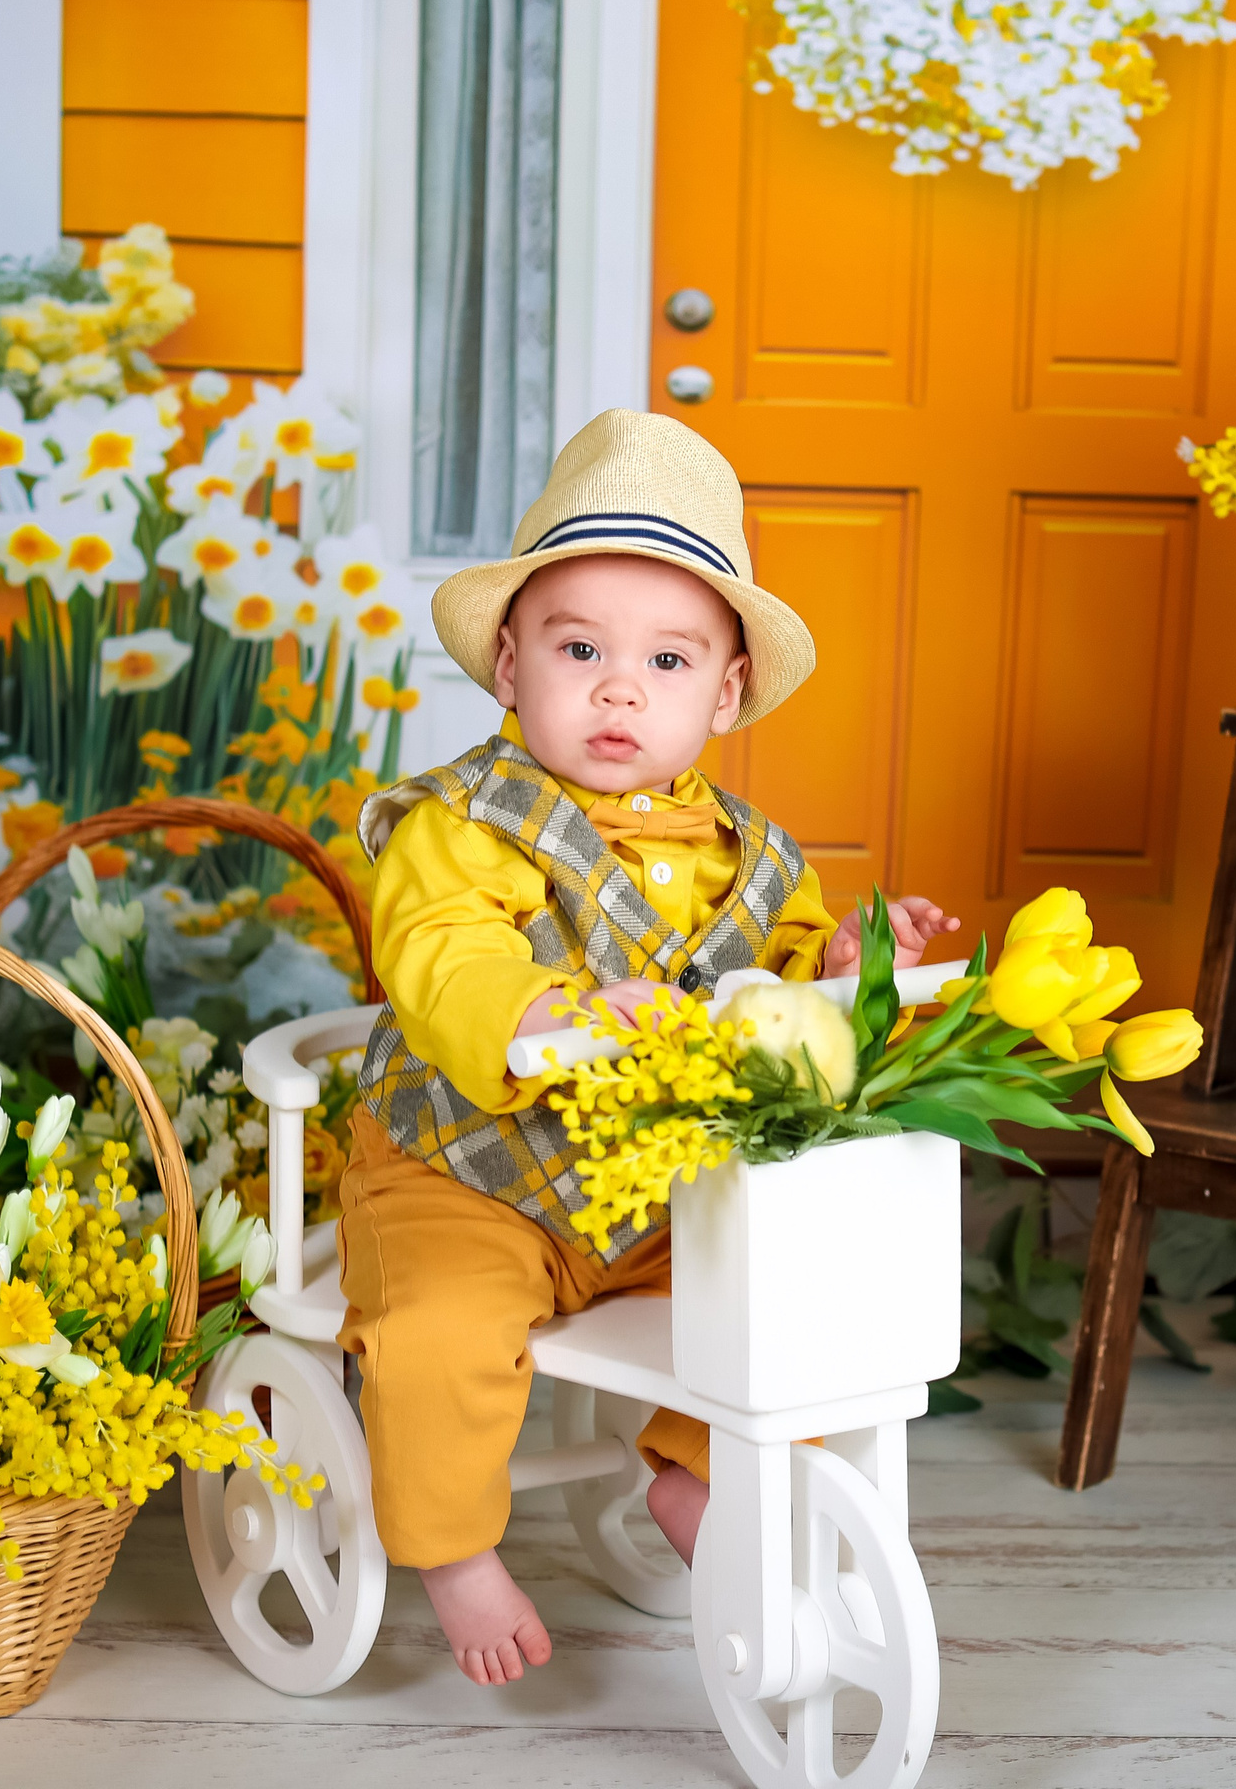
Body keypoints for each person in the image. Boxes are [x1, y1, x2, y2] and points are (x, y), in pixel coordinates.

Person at [341, 408, 957, 1686]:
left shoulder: (757, 857)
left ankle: (696, 1471)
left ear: (727, 693)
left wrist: (844, 966)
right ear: (510, 668)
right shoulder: (455, 826)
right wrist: (537, 1010)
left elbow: (773, 989)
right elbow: (445, 951)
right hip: (466, 1172)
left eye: (669, 662)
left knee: (794, 1283)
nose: (621, 687)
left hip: (655, 1191)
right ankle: (454, 1550)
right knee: (435, 1328)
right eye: (581, 649)